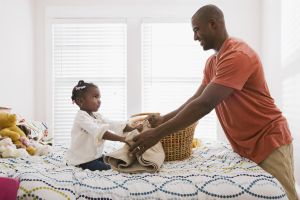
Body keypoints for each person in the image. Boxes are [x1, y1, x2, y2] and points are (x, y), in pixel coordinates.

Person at [129, 4, 298, 200]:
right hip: (245, 145)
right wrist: (163, 119)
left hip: (268, 140)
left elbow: (205, 105)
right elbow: (196, 99)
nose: (194, 37)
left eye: (196, 29)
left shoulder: (238, 55)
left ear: (213, 24)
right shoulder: (212, 63)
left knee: (286, 196)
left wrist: (157, 134)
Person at [66, 80, 141, 171]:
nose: (99, 101)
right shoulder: (81, 117)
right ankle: (82, 164)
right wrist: (123, 139)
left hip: (95, 156)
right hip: (82, 160)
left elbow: (113, 124)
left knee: (115, 161)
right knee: (110, 168)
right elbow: (100, 132)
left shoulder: (97, 115)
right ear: (80, 101)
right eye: (95, 97)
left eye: (99, 97)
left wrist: (133, 128)